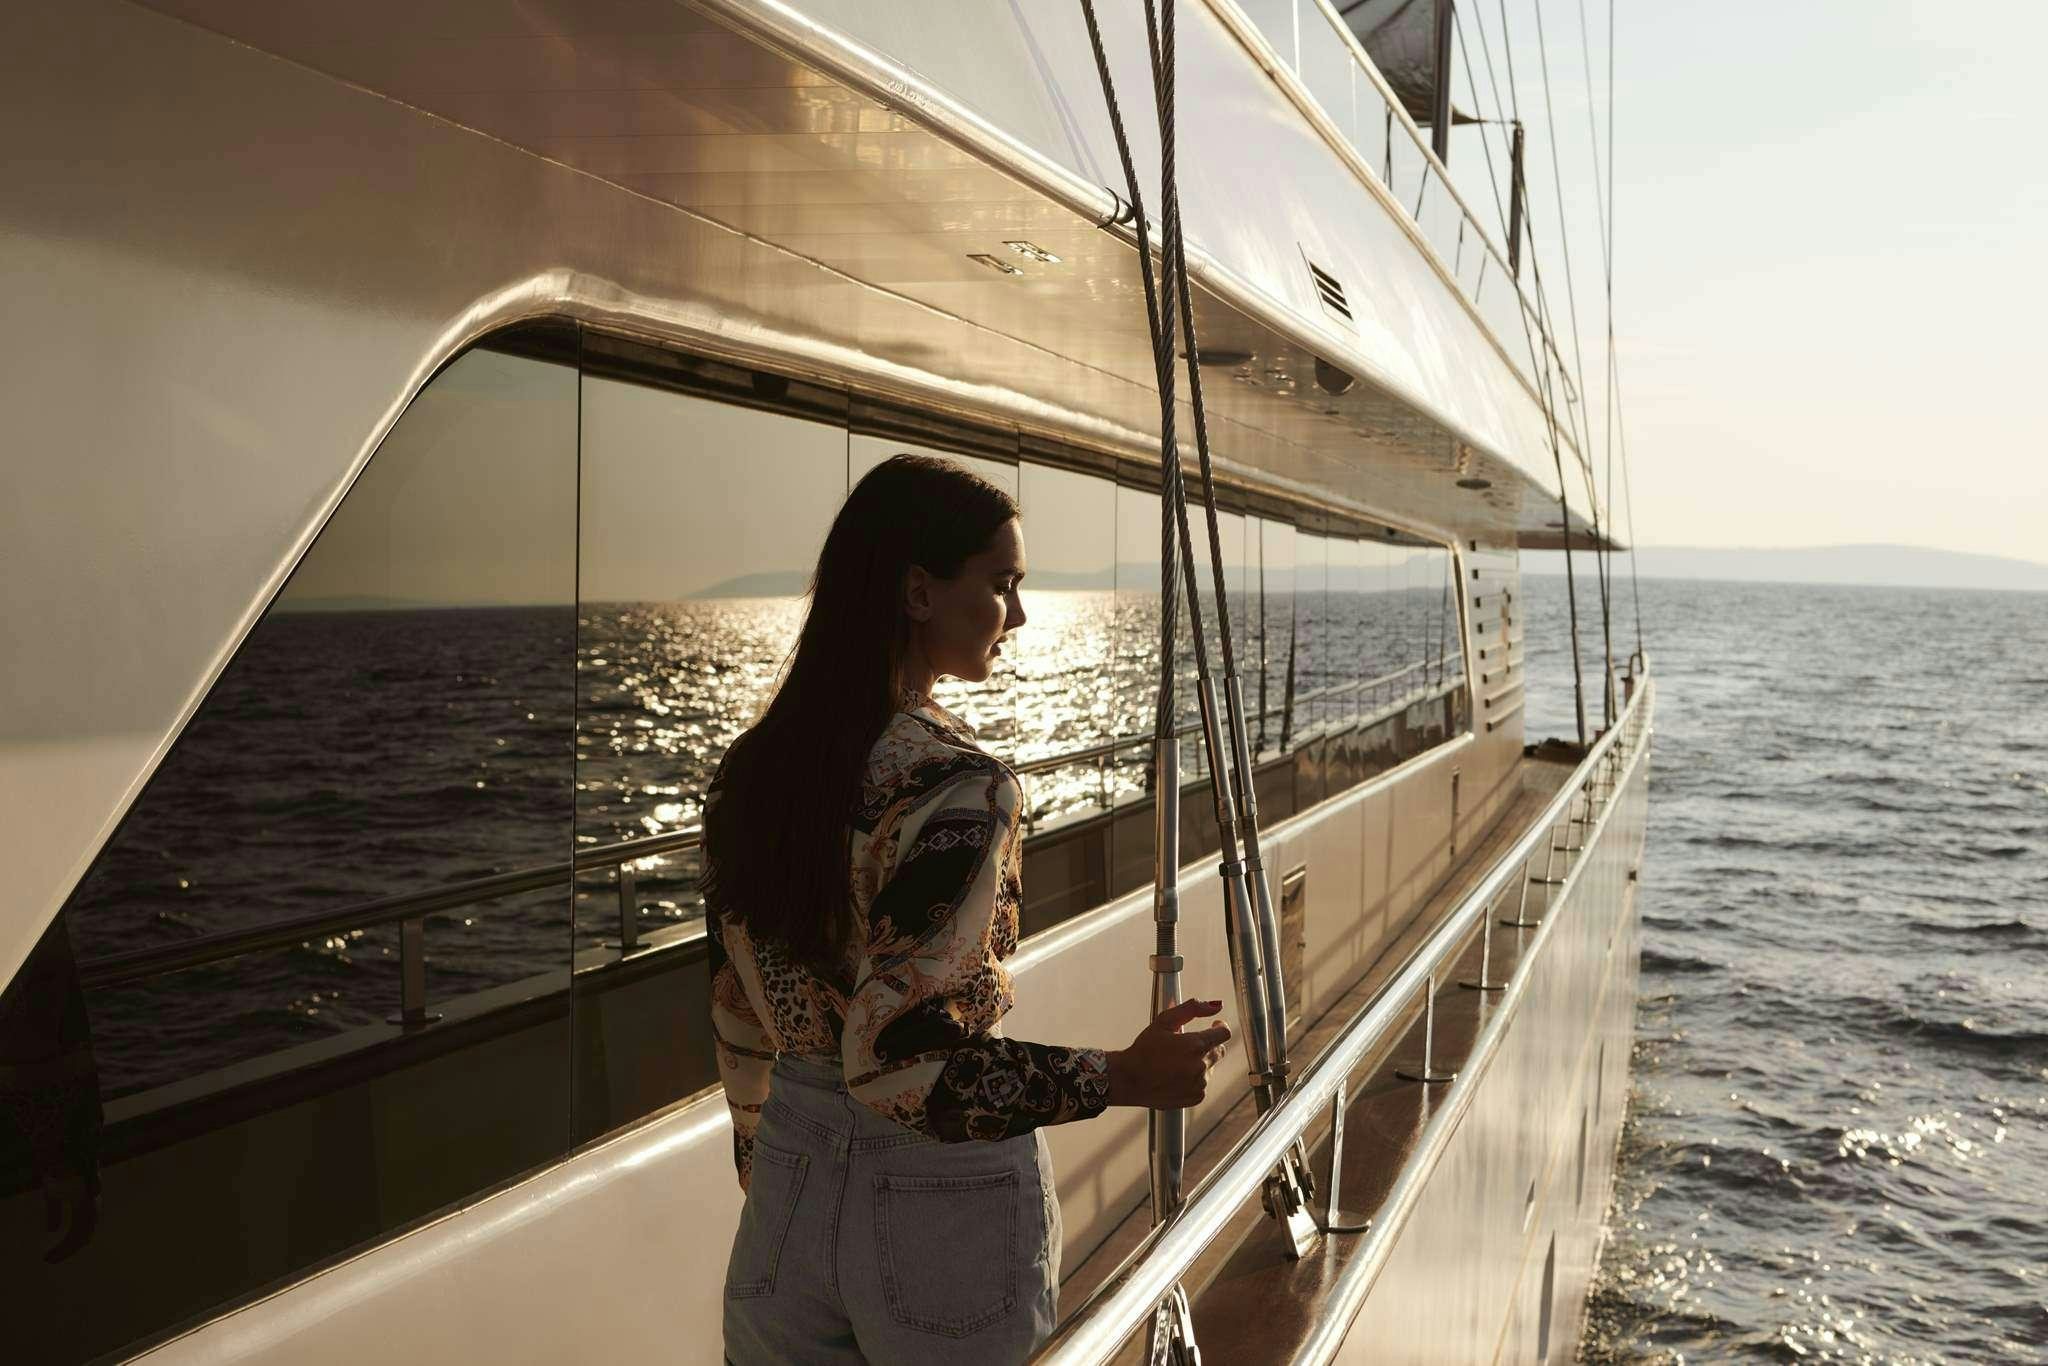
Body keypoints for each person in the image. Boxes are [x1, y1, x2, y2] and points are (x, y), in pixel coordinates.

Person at [705, 454, 1230, 1364]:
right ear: (918, 592)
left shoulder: (752, 775)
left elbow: (739, 1009)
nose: (1017, 617)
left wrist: (770, 1154)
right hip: (931, 1204)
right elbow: (894, 1063)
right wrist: (1121, 1077)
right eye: (1001, 585)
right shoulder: (959, 787)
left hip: (787, 1179)